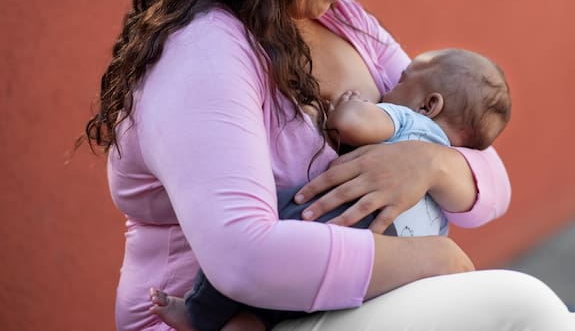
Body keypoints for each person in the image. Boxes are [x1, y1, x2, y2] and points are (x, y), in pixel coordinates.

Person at [85, 0, 575, 330]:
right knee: (520, 304)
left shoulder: (348, 24)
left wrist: (428, 162)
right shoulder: (204, 54)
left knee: (563, 319)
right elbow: (244, 258)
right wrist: (435, 258)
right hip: (233, 317)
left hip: (344, 302)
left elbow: (482, 164)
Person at [148, 48, 513, 330]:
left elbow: (352, 123)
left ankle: (198, 312)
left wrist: (350, 106)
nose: (389, 87)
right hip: (393, 262)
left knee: (270, 214)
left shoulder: (410, 123)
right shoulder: (451, 164)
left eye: (401, 82)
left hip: (347, 220)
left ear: (429, 104)